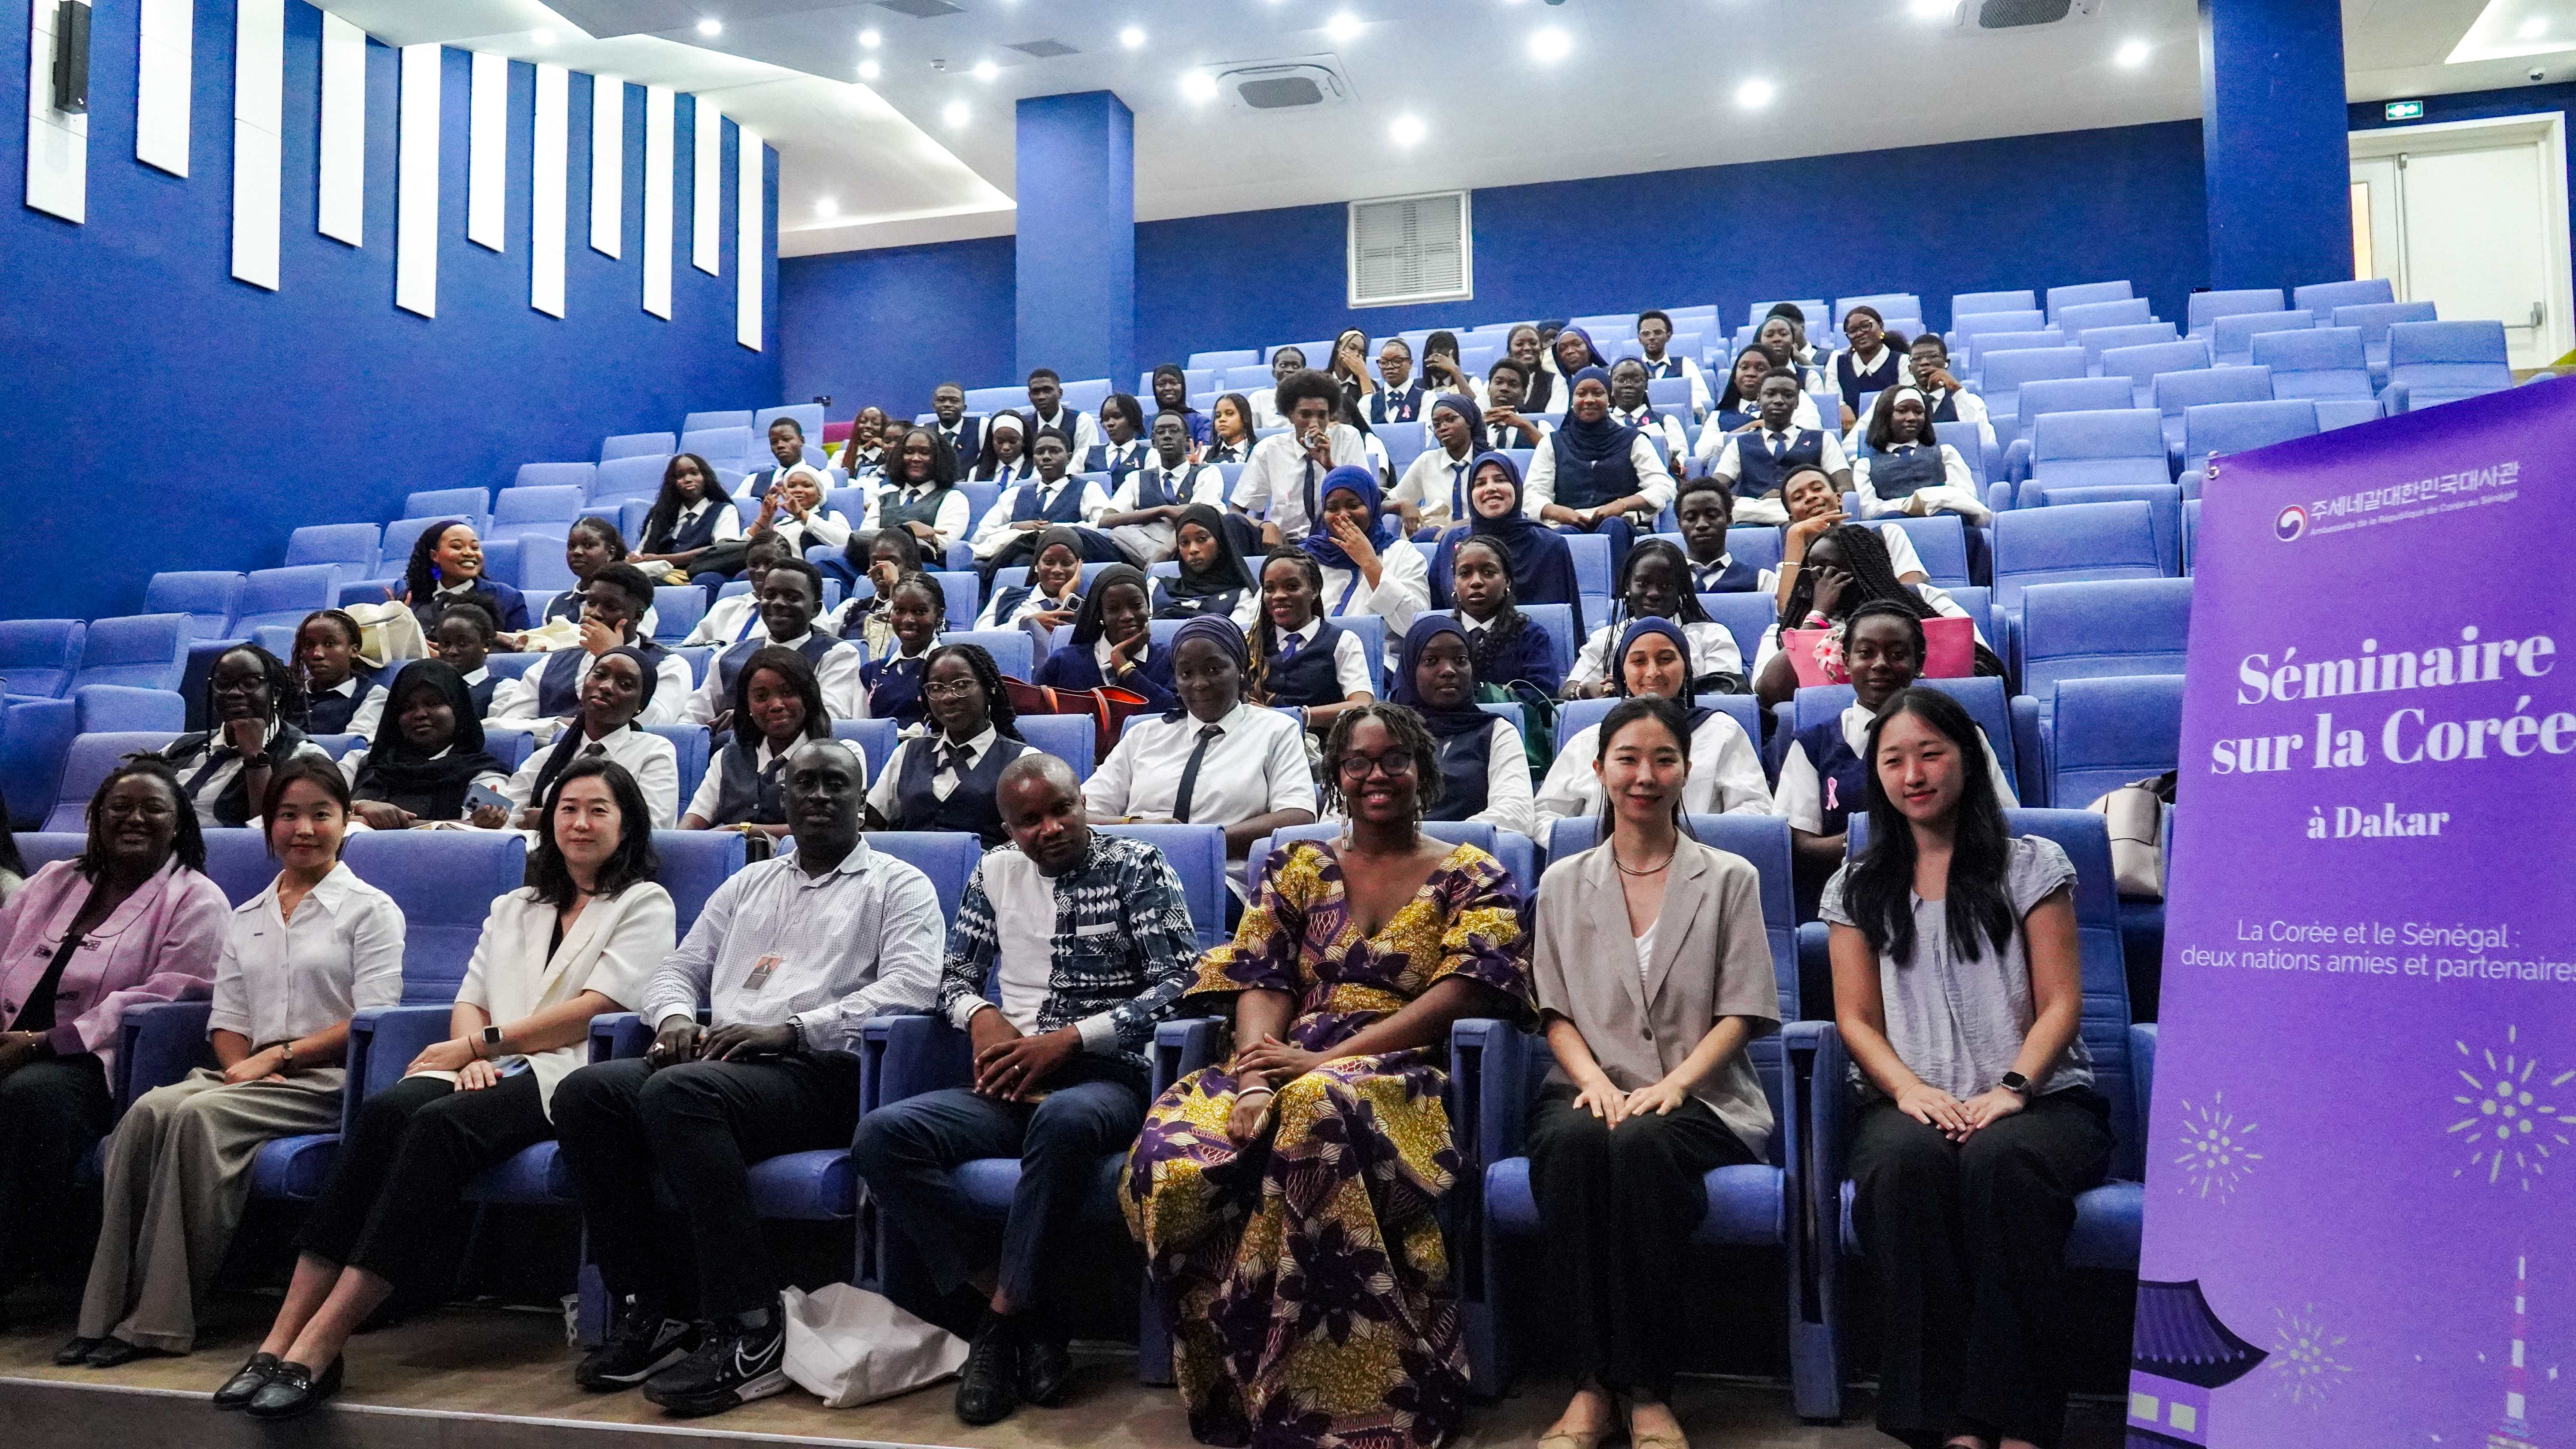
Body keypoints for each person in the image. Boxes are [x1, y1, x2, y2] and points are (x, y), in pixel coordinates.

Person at [1123, 703, 1532, 1448]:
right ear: (1338, 775)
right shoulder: (1298, 866)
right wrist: (1254, 1079)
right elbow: (1261, 977)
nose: (1377, 775)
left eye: (1395, 759)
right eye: (1358, 762)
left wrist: (1325, 1063)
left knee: (1315, 1107)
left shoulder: (1474, 873)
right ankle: (1239, 1376)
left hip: (1402, 1073)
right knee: (1169, 1156)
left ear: (1422, 769)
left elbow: (1464, 993)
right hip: (1282, 1057)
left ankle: (1345, 1412)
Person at [220, 758, 673, 1420]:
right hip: (478, 1063)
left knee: (439, 1127)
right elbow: (471, 996)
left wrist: (480, 1047)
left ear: (627, 824)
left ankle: (324, 1339)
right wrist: (466, 1058)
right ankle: (280, 1336)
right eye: (568, 808)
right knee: (386, 1112)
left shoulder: (643, 903)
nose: (580, 823)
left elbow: (597, 1009)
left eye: (598, 810)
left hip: (565, 1071)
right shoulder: (516, 905)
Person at [554, 739, 943, 1419]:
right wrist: (676, 1018)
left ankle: (749, 1328)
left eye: (836, 785)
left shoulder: (898, 885)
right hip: (725, 1066)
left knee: (676, 1093)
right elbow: (678, 970)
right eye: (805, 784)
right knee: (587, 1094)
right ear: (783, 799)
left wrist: (794, 1029)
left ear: (861, 803)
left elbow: (913, 988)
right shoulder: (747, 884)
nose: (819, 796)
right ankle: (659, 1308)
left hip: (825, 1073)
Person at [854, 754, 1200, 1424]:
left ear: (1083, 803)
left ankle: (999, 1329)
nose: (1050, 828)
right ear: (1008, 828)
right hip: (1012, 1076)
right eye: (1029, 820)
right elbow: (954, 978)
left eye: (1061, 810)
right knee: (883, 1137)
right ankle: (1024, 1312)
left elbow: (1183, 984)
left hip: (1109, 1076)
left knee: (1064, 1120)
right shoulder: (994, 872)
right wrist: (980, 1014)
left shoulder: (1137, 867)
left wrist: (1073, 1039)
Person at [1825, 687, 2107, 1449]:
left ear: (1968, 759)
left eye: (1931, 754)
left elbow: (2062, 1002)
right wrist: (1909, 1090)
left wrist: (2012, 1090)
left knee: (2003, 1164)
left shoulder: (2031, 864)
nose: (1913, 774)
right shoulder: (1855, 885)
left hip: (2040, 1099)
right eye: (1894, 761)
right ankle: (1943, 1422)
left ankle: (2016, 1420)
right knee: (1903, 1168)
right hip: (1909, 1098)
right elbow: (1856, 1019)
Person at [65, 759, 402, 1368]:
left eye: (320, 815)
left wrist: (279, 1057)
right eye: (288, 815)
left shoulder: (370, 910)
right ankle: (102, 1313)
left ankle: (158, 1322)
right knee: (148, 1112)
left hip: (329, 1080)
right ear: (269, 825)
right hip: (250, 1076)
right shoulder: (248, 915)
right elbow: (228, 1018)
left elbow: (372, 1017)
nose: (304, 829)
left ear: (345, 822)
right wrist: (240, 1065)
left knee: (196, 1120)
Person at [1525, 694, 1782, 1449]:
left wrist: (1675, 1085)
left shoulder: (1730, 877)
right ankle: (1588, 1387)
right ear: (1599, 769)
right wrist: (1596, 1082)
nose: (1645, 775)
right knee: (1575, 1143)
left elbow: (1742, 1011)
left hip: (1703, 1093)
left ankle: (1646, 1391)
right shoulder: (1562, 881)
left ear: (1686, 770)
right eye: (1628, 759)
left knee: (1641, 1144)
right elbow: (1552, 1011)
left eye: (1663, 759)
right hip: (1588, 1084)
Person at [0, 761, 225, 1311]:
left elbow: (171, 995)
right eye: (119, 807)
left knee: (28, 1098)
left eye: (153, 809)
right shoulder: (54, 880)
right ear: (96, 818)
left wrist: (44, 1041)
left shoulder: (196, 899)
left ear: (178, 824)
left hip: (104, 1063)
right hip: (12, 1041)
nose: (134, 818)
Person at [1775, 601, 2018, 918]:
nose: (1880, 665)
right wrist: (1874, 841)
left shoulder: (1962, 735)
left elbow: (2001, 820)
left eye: (1897, 654)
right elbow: (1798, 843)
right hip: (1852, 901)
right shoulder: (1812, 745)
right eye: (1866, 653)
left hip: (1956, 894)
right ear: (1846, 661)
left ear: (1919, 662)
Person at [1083, 616, 1317, 860]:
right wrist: (1137, 827)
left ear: (1241, 669)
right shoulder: (1143, 735)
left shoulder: (1276, 730)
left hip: (1225, 871)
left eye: (1214, 670)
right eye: (1186, 673)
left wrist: (1200, 843)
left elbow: (1297, 815)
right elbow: (1081, 814)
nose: (1199, 684)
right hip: (1134, 870)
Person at [1537, 619, 1771, 825]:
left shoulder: (1721, 732)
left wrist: (1681, 842)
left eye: (1666, 659)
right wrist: (1608, 844)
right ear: (1622, 674)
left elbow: (1757, 809)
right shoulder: (1589, 741)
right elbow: (1545, 817)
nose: (1653, 672)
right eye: (1639, 661)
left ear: (1686, 668)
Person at [1753, 523, 1996, 710]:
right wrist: (1817, 615)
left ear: (1867, 571)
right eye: (1812, 568)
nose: (1820, 579)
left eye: (1830, 569)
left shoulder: (1923, 599)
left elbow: (1982, 667)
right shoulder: (1787, 629)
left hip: (1924, 712)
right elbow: (1769, 692)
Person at [489, 564, 694, 737]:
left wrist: (615, 655)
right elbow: (503, 727)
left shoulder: (669, 666)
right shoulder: (551, 663)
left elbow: (648, 726)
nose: (595, 613)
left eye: (611, 607)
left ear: (637, 617)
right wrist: (558, 725)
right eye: (591, 603)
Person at [864, 643, 1033, 848]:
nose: (948, 697)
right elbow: (872, 825)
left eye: (962, 685)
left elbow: (1033, 836)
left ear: (989, 689)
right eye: (936, 688)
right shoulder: (908, 752)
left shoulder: (1023, 760)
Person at [1379, 616, 1534, 836]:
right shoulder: (1382, 733)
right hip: (1386, 852)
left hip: (1468, 852)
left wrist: (1437, 843)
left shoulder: (1496, 732)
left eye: (1461, 660)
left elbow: (1516, 813)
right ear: (1411, 669)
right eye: (1431, 661)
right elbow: (1340, 815)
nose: (1448, 670)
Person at [501, 647, 681, 828]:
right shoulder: (544, 759)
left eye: (625, 684)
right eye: (600, 675)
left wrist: (551, 821)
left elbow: (654, 826)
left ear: (640, 705)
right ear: (584, 684)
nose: (606, 687)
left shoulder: (653, 753)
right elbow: (509, 822)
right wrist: (492, 820)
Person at [156, 645, 331, 828]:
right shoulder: (183, 746)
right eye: (223, 684)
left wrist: (255, 756)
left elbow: (269, 831)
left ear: (275, 694)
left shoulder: (304, 757)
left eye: (250, 683)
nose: (234, 693)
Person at [1528, 366, 1674, 578]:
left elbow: (1664, 486)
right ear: (1572, 400)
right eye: (1581, 394)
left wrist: (1620, 505)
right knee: (1564, 536)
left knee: (1613, 526)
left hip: (1622, 523)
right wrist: (1559, 513)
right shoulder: (1552, 443)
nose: (1589, 400)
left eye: (1598, 393)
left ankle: (1619, 594)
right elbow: (1533, 494)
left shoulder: (1633, 440)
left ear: (1610, 399)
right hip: (1568, 522)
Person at [683, 558, 866, 726]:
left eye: (793, 598)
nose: (778, 603)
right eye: (770, 595)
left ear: (815, 609)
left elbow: (829, 719)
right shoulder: (727, 656)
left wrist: (750, 719)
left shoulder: (837, 654)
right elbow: (692, 719)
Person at [680, 645, 831, 842]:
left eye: (788, 693)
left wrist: (741, 829)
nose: (776, 705)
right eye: (761, 697)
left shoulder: (838, 758)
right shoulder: (727, 758)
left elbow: (831, 829)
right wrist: (677, 842)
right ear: (748, 705)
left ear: (807, 697)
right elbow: (692, 824)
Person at [343, 661, 514, 830]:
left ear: (458, 709)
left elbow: (475, 831)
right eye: (407, 707)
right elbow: (325, 807)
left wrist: (368, 822)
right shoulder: (359, 762)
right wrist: (360, 806)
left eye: (434, 703)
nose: (420, 714)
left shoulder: (484, 774)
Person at [1565, 538, 1743, 697]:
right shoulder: (1605, 639)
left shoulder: (1711, 636)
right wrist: (1587, 690)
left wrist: (1637, 687)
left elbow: (1725, 689)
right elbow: (1568, 690)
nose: (1654, 593)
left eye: (1666, 585)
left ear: (1680, 588)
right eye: (1643, 583)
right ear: (1628, 585)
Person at [1428, 450, 1583, 617]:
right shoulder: (1452, 541)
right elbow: (1437, 616)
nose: (1490, 488)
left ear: (1516, 487)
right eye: (1480, 484)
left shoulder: (1550, 545)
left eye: (1500, 480)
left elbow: (1565, 620)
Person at [1232, 369, 1366, 549]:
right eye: (1306, 415)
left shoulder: (1347, 438)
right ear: (1290, 416)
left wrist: (1329, 467)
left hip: (1337, 541)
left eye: (1322, 415)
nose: (1314, 423)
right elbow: (1235, 511)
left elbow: (1366, 498)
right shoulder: (1269, 449)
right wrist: (1265, 525)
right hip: (1286, 546)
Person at [1246, 548, 1376, 728]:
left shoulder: (1343, 642)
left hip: (1320, 741)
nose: (1279, 595)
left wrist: (1297, 716)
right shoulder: (1250, 643)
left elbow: (1362, 706)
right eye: (1270, 589)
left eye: (1292, 587)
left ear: (1314, 590)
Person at [1702, 373, 1853, 525]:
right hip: (1755, 523)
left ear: (1797, 402)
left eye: (1788, 395)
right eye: (1771, 394)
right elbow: (1716, 491)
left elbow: (1845, 488)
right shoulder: (1739, 444)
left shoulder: (1823, 439)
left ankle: (1790, 511)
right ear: (1759, 399)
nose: (1779, 401)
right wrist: (1760, 504)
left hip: (1809, 518)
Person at [1772, 465, 1942, 598]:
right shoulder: (1790, 566)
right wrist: (1795, 534)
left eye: (1817, 489)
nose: (1810, 497)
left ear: (1839, 499)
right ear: (1792, 519)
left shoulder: (1885, 535)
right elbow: (1788, 614)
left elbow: (1911, 587)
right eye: (1798, 498)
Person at [1301, 465, 1428, 643]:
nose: (1343, 515)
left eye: (1354, 506)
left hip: (1377, 657)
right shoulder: (1305, 557)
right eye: (1332, 508)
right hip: (1310, 657)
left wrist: (1369, 563)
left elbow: (1419, 628)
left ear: (1372, 506)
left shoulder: (1402, 554)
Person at [970, 430, 1116, 578]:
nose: (1046, 457)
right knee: (980, 566)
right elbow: (980, 536)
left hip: (1064, 560)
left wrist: (1056, 528)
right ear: (1034, 459)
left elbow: (1102, 529)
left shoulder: (1088, 489)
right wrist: (1014, 527)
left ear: (1069, 458)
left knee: (1023, 562)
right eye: (1040, 453)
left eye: (1055, 451)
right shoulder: (1014, 494)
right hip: (1017, 559)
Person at [1032, 564, 1174, 712]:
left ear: (1148, 608)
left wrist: (1125, 668)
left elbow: (1178, 712)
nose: (1127, 616)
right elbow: (1033, 713)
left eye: (1137, 606)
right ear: (1101, 615)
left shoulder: (1169, 658)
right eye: (1114, 609)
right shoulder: (1065, 662)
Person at [1437, 534, 1565, 697]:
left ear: (1507, 581)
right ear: (1455, 583)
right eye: (1465, 573)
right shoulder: (1439, 637)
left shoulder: (1531, 637)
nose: (1476, 582)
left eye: (1488, 572)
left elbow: (1541, 693)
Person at [1103, 412, 1224, 566]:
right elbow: (1107, 519)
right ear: (1154, 442)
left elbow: (1201, 514)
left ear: (1187, 440)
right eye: (1161, 432)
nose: (1167, 436)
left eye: (1174, 430)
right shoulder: (1137, 478)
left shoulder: (1207, 472)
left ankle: (1158, 566)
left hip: (1191, 546)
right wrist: (1162, 511)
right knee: (1101, 536)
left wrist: (1165, 551)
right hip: (1143, 542)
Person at [1853, 388, 1990, 522]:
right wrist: (1909, 505)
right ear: (1885, 416)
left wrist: (1926, 502)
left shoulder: (1945, 453)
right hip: (1895, 524)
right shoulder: (1865, 466)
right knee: (1893, 518)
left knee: (1949, 517)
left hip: (1945, 522)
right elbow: (1868, 510)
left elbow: (1966, 497)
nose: (1912, 418)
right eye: (1902, 411)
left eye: (1919, 412)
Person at [630, 454, 744, 595]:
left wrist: (662, 559)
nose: (688, 480)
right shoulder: (660, 515)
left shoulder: (724, 510)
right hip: (660, 574)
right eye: (680, 476)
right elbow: (642, 553)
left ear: (705, 477)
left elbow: (723, 550)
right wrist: (635, 558)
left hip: (699, 572)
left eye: (694, 473)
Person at [400, 519, 530, 633]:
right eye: (457, 547)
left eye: (475, 547)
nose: (469, 553)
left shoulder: (507, 598)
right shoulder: (410, 599)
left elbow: (522, 647)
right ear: (435, 556)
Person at [679, 532, 796, 649]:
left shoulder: (793, 614)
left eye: (769, 563)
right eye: (754, 565)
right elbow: (689, 651)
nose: (760, 570)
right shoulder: (725, 608)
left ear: (788, 567)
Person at [861, 572, 946, 728]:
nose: (908, 620)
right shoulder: (871, 672)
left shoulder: (949, 669)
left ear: (939, 616)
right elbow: (861, 728)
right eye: (899, 610)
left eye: (919, 612)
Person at [536, 516, 651, 632]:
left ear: (611, 553)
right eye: (571, 546)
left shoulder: (634, 602)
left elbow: (638, 642)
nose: (577, 552)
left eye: (588, 546)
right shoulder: (556, 604)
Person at [1391, 391, 1484, 534]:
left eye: (1451, 419)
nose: (1443, 427)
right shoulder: (1427, 461)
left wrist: (1452, 529)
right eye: (1436, 424)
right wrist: (1402, 504)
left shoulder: (1492, 459)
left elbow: (1507, 512)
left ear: (1469, 421)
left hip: (1483, 536)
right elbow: (1385, 503)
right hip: (1436, 539)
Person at [1151, 503, 1259, 624]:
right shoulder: (1157, 587)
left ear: (1220, 542)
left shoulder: (1243, 597)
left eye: (1202, 539)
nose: (1193, 550)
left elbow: (1230, 634)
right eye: (1184, 543)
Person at [825, 526, 923, 651]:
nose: (881, 570)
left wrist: (895, 585)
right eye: (875, 563)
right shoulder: (851, 607)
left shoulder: (923, 611)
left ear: (910, 568)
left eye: (890, 564)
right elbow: (819, 638)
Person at [293, 610, 385, 740]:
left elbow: (352, 745)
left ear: (354, 650)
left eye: (329, 644)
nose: (317, 654)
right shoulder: (291, 693)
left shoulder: (373, 695)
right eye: (309, 646)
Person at [977, 526, 1085, 632]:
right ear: (1036, 566)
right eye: (1049, 562)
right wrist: (1026, 624)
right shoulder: (1006, 596)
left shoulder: (1088, 606)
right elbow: (979, 637)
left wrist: (1066, 595)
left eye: (1067, 563)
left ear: (1079, 567)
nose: (1057, 570)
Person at [1674, 476, 1766, 594]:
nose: (1702, 525)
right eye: (1691, 518)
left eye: (1712, 515)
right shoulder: (1663, 583)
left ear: (1729, 519)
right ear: (1680, 525)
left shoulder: (1762, 581)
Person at [1907, 333, 1996, 454]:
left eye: (1933, 356)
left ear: (1946, 363)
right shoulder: (1898, 402)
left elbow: (1986, 443)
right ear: (1910, 369)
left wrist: (1957, 390)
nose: (1924, 363)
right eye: (1917, 359)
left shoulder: (1971, 401)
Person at [745, 464, 854, 559]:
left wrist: (802, 514)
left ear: (820, 494)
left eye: (807, 486)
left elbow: (847, 543)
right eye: (792, 486)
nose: (798, 490)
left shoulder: (831, 516)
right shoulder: (778, 522)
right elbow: (743, 552)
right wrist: (764, 518)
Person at [1710, 344, 1824, 434]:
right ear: (1735, 377)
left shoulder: (1796, 396)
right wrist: (1754, 426)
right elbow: (1705, 450)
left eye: (1760, 369)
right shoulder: (1719, 416)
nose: (1751, 374)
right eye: (1744, 368)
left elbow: (1811, 434)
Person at [1828, 305, 1913, 424]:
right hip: (1851, 429)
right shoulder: (1838, 363)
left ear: (1881, 327)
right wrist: (1841, 407)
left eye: (1866, 326)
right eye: (1853, 331)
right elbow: (1833, 400)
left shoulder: (1902, 361)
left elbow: (1909, 401)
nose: (1860, 333)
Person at [426, 600, 503, 717]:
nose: (452, 651)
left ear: (486, 645)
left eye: (462, 644)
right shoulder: (427, 687)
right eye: (445, 644)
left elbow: (501, 727)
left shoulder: (502, 689)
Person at [1608, 356, 1690, 461]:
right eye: (1621, 380)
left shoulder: (1666, 422)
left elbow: (1679, 459)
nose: (1628, 385)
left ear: (1646, 385)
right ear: (1612, 386)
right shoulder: (1602, 423)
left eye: (1636, 380)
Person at [1635, 309, 1711, 418]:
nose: (1652, 338)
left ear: (1669, 336)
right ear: (1639, 339)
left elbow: (1702, 400)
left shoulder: (1685, 364)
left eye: (1658, 333)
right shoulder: (1633, 367)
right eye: (1646, 334)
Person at [735, 416, 816, 511]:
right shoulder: (753, 481)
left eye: (786, 440)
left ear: (802, 441)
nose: (780, 445)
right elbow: (735, 509)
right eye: (774, 442)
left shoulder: (820, 476)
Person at [1024, 368, 1106, 456]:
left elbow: (1088, 460)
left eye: (1047, 391)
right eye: (1035, 392)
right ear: (1030, 396)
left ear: (1060, 393)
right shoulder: (1024, 425)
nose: (1041, 397)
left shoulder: (1082, 421)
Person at [1481, 359, 1553, 451]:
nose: (1504, 388)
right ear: (1488, 389)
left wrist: (1525, 426)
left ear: (1524, 394)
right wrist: (1478, 426)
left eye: (1513, 385)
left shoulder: (1541, 427)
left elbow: (1556, 455)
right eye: (1499, 383)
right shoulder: (1473, 427)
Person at [1086, 392, 1151, 482]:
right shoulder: (1086, 454)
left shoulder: (1150, 455)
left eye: (1117, 417)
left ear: (1134, 419)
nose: (1110, 424)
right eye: (1106, 419)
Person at [1150, 363, 1215, 448]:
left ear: (1183, 386)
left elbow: (1204, 450)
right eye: (1161, 384)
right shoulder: (1146, 423)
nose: (1168, 388)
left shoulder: (1200, 422)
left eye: (1173, 383)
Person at [1367, 335, 1425, 425]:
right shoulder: (1368, 402)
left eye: (1397, 361)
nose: (1390, 367)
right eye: (1384, 362)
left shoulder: (1426, 398)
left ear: (1410, 364)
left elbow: (1423, 432)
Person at [1246, 345, 1306, 430]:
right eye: (1283, 366)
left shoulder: (1313, 400)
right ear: (1274, 373)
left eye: (1296, 366)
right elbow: (1250, 434)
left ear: (1304, 372)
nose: (1290, 370)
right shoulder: (1258, 399)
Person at [1418, 329, 1480, 405]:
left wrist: (1455, 371)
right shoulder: (1415, 387)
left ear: (1455, 358)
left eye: (1445, 359)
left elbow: (1476, 409)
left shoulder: (1472, 382)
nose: (1441, 365)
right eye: (1436, 359)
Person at [927, 382, 983, 464]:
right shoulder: (924, 431)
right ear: (934, 407)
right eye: (941, 400)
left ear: (964, 408)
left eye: (954, 401)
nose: (947, 404)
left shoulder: (981, 427)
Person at [971, 411, 1032, 488]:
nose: (1006, 447)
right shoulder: (977, 472)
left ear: (1023, 441)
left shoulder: (1035, 470)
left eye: (1013, 442)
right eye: (999, 442)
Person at [1506, 323, 1556, 413]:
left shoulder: (1556, 382)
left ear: (1541, 348)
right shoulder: (1495, 383)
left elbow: (1555, 419)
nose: (1527, 348)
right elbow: (1482, 416)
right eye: (1520, 344)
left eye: (1533, 343)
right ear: (1510, 350)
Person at [837, 404, 890, 479]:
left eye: (876, 424)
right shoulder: (841, 457)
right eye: (863, 422)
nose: (868, 426)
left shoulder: (888, 459)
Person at [1206, 392, 1257, 464]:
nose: (1222, 419)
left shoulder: (1258, 451)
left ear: (1245, 418)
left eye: (1230, 414)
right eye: (1218, 416)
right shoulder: (1206, 453)